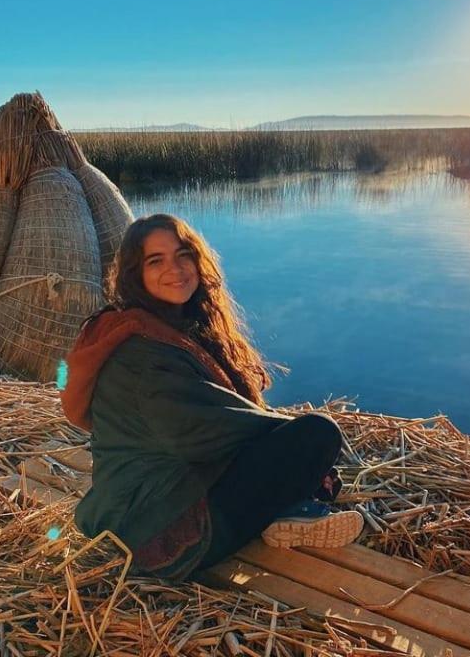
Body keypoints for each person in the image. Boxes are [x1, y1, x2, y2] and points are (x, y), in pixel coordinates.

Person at [60, 213, 363, 582]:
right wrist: (295, 441)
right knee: (318, 433)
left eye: (183, 254)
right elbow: (203, 432)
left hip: (152, 499)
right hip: (160, 535)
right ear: (134, 274)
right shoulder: (141, 354)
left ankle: (289, 512)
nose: (175, 268)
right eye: (156, 261)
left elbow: (216, 421)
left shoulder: (163, 327)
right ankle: (286, 511)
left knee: (291, 443)